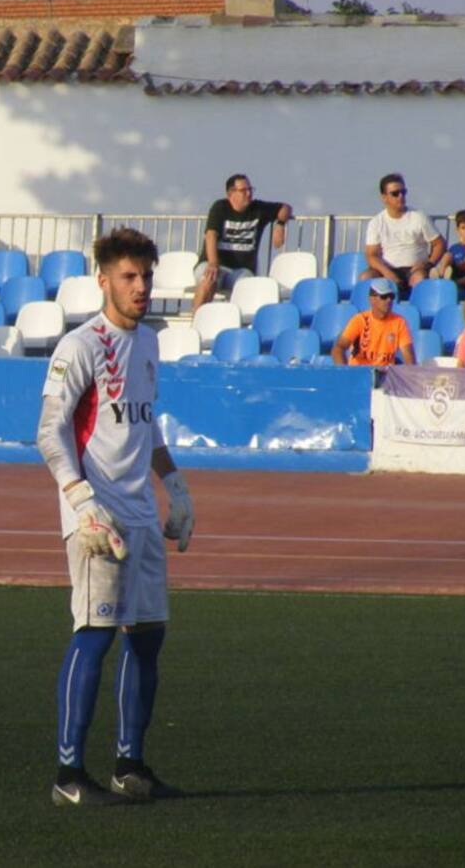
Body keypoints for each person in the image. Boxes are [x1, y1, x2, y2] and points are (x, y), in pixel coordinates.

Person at [37, 227, 195, 807]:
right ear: (103, 280)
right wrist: (82, 503)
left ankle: (130, 766)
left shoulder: (149, 344)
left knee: (148, 637)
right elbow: (49, 433)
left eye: (147, 276)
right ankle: (68, 776)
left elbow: (145, 424)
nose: (142, 287)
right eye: (129, 277)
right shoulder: (79, 347)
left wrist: (174, 486)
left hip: (141, 517)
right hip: (95, 517)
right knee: (95, 635)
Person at [191, 174, 292, 312]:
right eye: (243, 190)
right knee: (208, 279)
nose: (248, 193)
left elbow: (285, 208)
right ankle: (197, 320)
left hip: (240, 270)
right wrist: (213, 262)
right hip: (216, 266)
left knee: (248, 287)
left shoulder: (258, 209)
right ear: (231, 194)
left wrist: (280, 224)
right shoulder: (220, 207)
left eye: (250, 189)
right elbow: (211, 235)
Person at [362, 173, 445, 294]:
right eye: (395, 193)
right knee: (366, 278)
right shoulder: (376, 223)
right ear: (384, 197)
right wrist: (387, 273)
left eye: (403, 192)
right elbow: (371, 255)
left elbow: (439, 244)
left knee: (419, 279)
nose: (400, 196)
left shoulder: (419, 217)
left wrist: (428, 264)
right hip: (387, 269)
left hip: (414, 269)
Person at [331, 277, 416, 368]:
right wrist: (345, 373)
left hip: (385, 376)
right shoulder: (360, 320)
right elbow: (338, 348)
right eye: (384, 296)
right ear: (372, 299)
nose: (389, 300)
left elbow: (409, 356)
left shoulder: (399, 322)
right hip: (361, 374)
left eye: (391, 297)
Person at [431, 210, 465, 291]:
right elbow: (449, 260)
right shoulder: (455, 248)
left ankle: (453, 283)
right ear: (458, 230)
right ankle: (440, 274)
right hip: (457, 272)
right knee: (447, 255)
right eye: (463, 228)